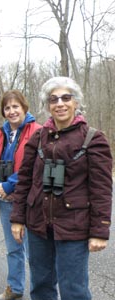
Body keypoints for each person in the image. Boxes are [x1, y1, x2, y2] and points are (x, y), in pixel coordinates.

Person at [10, 77, 113, 300]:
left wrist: (100, 231)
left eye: (66, 98)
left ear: (76, 102)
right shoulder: (37, 138)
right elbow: (24, 180)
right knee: (41, 286)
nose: (60, 103)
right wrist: (18, 218)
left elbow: (101, 190)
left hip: (73, 226)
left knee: (73, 290)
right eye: (53, 99)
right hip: (38, 224)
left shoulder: (93, 139)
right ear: (47, 105)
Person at [0, 90, 41, 300]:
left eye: (16, 106)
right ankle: (15, 288)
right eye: (7, 107)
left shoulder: (38, 132)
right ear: (3, 112)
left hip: (31, 200)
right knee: (13, 248)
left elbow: (34, 165)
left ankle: (40, 292)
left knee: (35, 251)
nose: (12, 111)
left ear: (24, 107)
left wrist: (10, 185)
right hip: (6, 201)